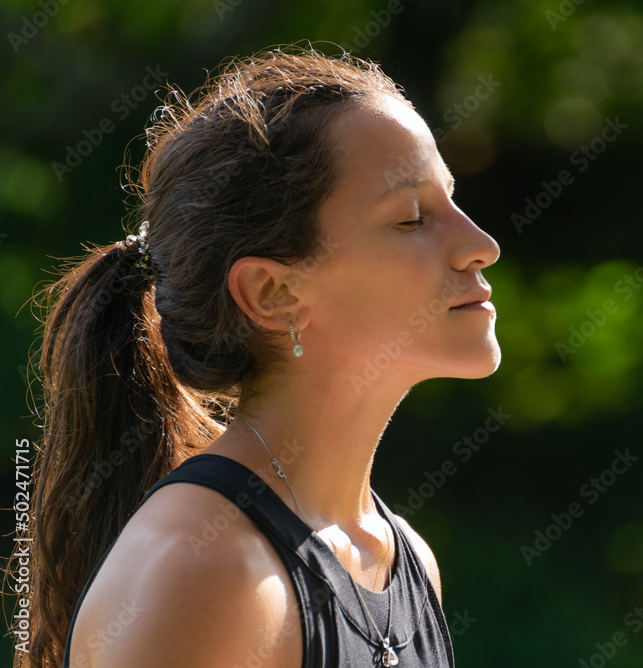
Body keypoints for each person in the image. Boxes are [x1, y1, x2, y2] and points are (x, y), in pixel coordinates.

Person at [21, 44, 501, 668]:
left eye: (452, 200)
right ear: (272, 293)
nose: (480, 245)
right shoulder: (203, 570)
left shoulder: (405, 559)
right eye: (411, 218)